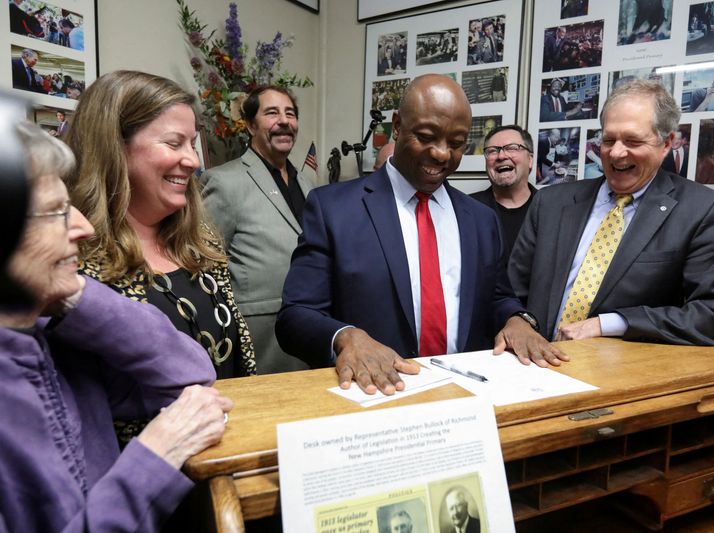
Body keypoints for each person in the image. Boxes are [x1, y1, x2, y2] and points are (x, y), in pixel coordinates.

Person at [0, 121, 233, 532]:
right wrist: (158, 455)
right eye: (56, 212)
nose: (84, 227)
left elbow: (191, 372)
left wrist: (75, 297)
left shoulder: (50, 342)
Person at [276, 74, 568, 396]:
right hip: (377, 396)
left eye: (456, 143)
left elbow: (497, 297)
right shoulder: (333, 208)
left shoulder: (481, 220)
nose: (442, 154)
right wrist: (346, 336)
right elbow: (295, 317)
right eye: (427, 136)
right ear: (398, 126)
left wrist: (516, 320)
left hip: (464, 398)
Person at [509, 80, 714, 345]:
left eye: (632, 141)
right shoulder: (550, 202)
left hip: (620, 375)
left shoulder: (700, 211)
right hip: (532, 369)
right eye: (608, 140)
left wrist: (612, 324)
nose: (616, 153)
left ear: (666, 143)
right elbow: (510, 292)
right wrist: (517, 320)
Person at [66, 70, 256, 379]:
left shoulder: (200, 241)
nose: (193, 160)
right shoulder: (73, 256)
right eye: (173, 143)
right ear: (115, 147)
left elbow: (239, 354)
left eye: (192, 144)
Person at [201, 85, 313, 374]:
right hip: (260, 337)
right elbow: (205, 265)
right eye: (272, 113)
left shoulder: (309, 185)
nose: (284, 121)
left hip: (309, 331)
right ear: (251, 125)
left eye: (290, 113)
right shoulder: (224, 182)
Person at [470, 124, 535, 266]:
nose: (501, 156)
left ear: (530, 160)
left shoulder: (551, 209)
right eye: (492, 151)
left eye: (512, 148)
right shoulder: (467, 209)